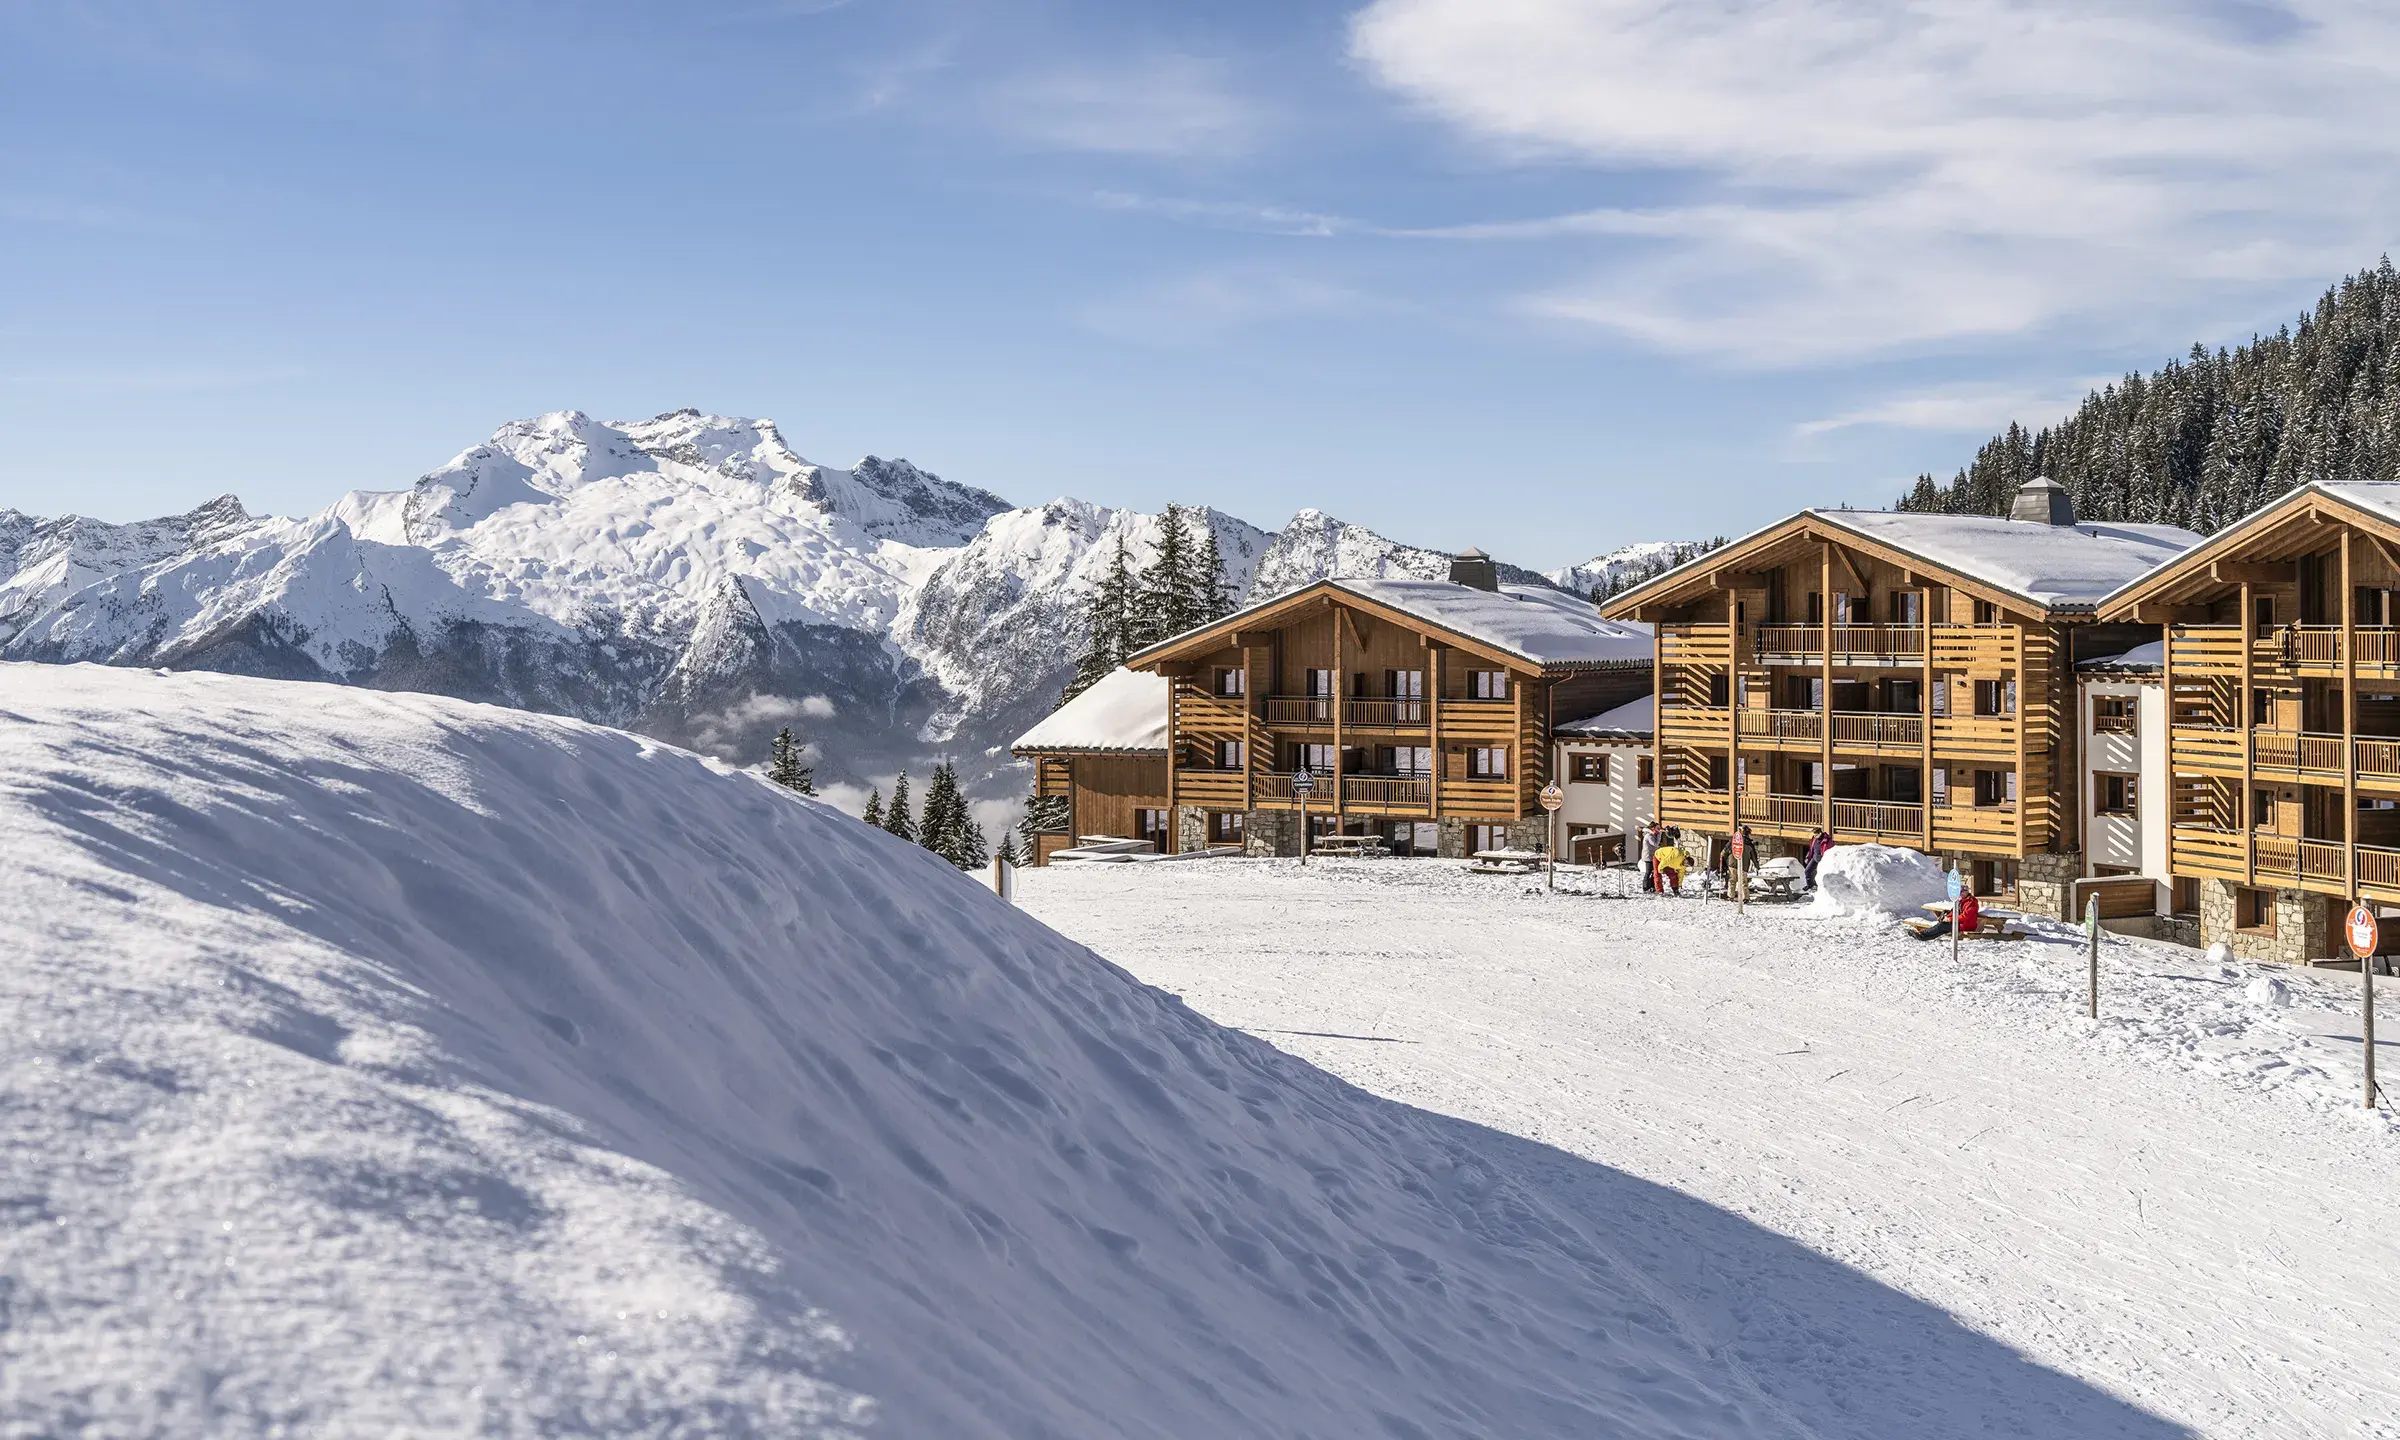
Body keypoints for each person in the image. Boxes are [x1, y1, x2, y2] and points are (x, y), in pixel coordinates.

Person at [1911, 888, 1977, 942]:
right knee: (1943, 927)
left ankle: (1922, 934)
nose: (1960, 894)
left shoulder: (1971, 902)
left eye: (1962, 892)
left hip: (1966, 925)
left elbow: (1965, 916)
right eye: (1960, 892)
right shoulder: (1962, 901)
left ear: (1966, 892)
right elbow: (1955, 912)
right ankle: (1924, 937)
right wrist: (1946, 917)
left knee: (1941, 926)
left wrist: (1949, 919)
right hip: (1960, 923)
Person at [1639, 821, 1660, 893]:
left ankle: (1651, 886)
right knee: (1648, 872)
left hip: (1652, 855)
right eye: (1657, 828)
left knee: (1653, 872)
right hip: (1648, 856)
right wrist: (1659, 835)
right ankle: (1645, 887)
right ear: (1653, 828)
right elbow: (1655, 844)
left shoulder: (1652, 835)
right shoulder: (1649, 836)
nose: (1658, 830)